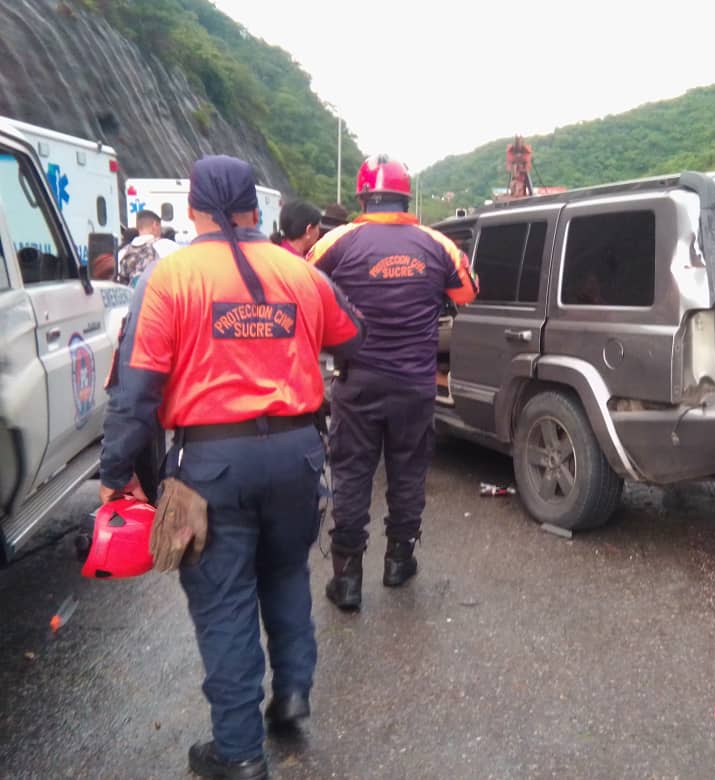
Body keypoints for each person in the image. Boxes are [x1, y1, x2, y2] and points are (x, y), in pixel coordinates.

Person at [98, 155, 366, 780]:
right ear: (258, 210)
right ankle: (293, 694)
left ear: (191, 209)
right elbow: (353, 336)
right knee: (286, 573)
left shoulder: (169, 277)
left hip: (211, 465)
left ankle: (240, 752)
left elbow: (135, 394)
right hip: (298, 454)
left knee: (223, 602)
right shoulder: (299, 273)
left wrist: (116, 472)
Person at [308, 154, 478, 611]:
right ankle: (399, 562)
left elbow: (302, 288)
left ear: (363, 195)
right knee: (408, 471)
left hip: (356, 381)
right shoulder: (437, 243)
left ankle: (346, 579)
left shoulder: (337, 241)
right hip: (414, 386)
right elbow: (468, 291)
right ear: (405, 195)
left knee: (351, 472)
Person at [116, 209, 178, 287]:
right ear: (155, 225)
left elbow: (119, 280)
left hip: (132, 297)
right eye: (160, 226)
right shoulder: (166, 246)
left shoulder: (122, 252)